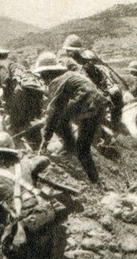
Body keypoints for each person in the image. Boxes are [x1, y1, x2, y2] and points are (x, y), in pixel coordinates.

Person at [34, 52, 109, 183]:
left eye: (42, 75)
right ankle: (71, 148)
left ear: (48, 73)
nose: (42, 79)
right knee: (82, 146)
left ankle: (94, 180)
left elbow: (53, 111)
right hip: (98, 105)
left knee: (81, 149)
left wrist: (45, 139)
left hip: (89, 106)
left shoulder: (57, 82)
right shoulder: (67, 76)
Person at [0, 47, 44, 148]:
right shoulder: (17, 65)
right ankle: (38, 149)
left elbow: (5, 81)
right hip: (37, 92)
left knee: (11, 123)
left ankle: (13, 150)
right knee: (28, 122)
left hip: (21, 91)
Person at [76, 49, 129, 136]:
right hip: (87, 97)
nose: (92, 64)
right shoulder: (82, 73)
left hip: (101, 95)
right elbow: (90, 87)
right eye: (90, 62)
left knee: (116, 95)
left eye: (94, 62)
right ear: (85, 62)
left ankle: (115, 123)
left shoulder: (99, 70)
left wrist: (109, 91)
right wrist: (103, 96)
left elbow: (105, 82)